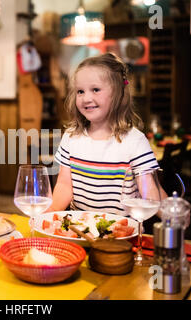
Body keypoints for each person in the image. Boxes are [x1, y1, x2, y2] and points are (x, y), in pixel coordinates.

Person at [47, 52, 161, 216]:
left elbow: (150, 192)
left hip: (121, 233)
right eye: (80, 91)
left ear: (118, 94)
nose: (86, 98)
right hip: (79, 228)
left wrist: (171, 214)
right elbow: (65, 185)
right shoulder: (71, 137)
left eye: (95, 89)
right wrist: (49, 214)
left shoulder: (134, 141)